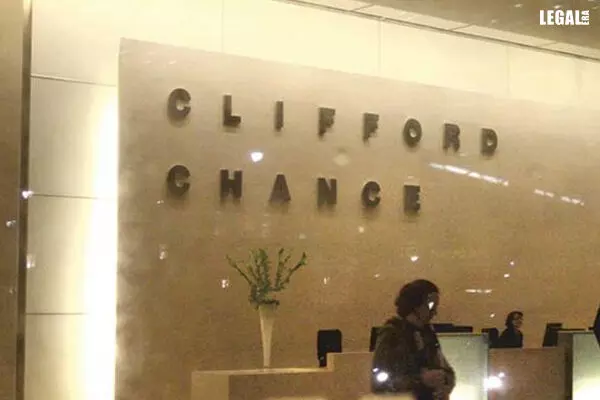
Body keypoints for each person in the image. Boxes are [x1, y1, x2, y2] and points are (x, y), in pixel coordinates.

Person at [372, 279, 456, 400]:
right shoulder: (392, 334)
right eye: (431, 306)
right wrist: (421, 380)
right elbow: (381, 381)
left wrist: (446, 382)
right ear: (416, 305)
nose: (434, 312)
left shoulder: (427, 333)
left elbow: (445, 368)